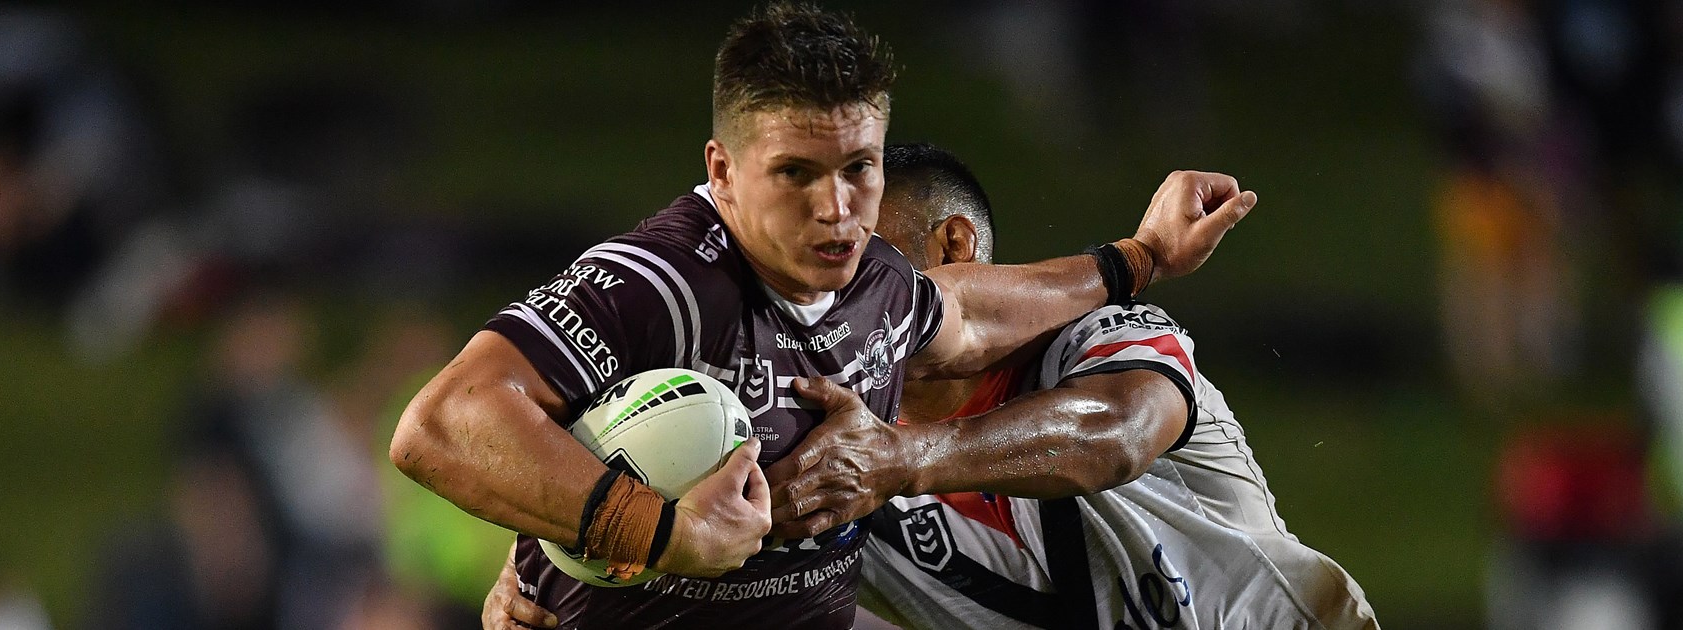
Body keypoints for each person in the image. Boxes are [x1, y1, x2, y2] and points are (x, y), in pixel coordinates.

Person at [392, 3, 1255, 628]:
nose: (837, 207)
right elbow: (441, 423)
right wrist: (659, 532)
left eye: (859, 168)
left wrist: (1137, 259)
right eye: (797, 173)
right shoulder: (660, 283)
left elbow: (967, 313)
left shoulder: (874, 279)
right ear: (723, 171)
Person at [482, 143, 1374, 629]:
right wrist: (547, 569)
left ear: (951, 252)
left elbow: (1119, 432)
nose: (830, 290)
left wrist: (904, 460)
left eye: (859, 256)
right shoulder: (833, 440)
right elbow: (668, 465)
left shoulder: (1100, 335)